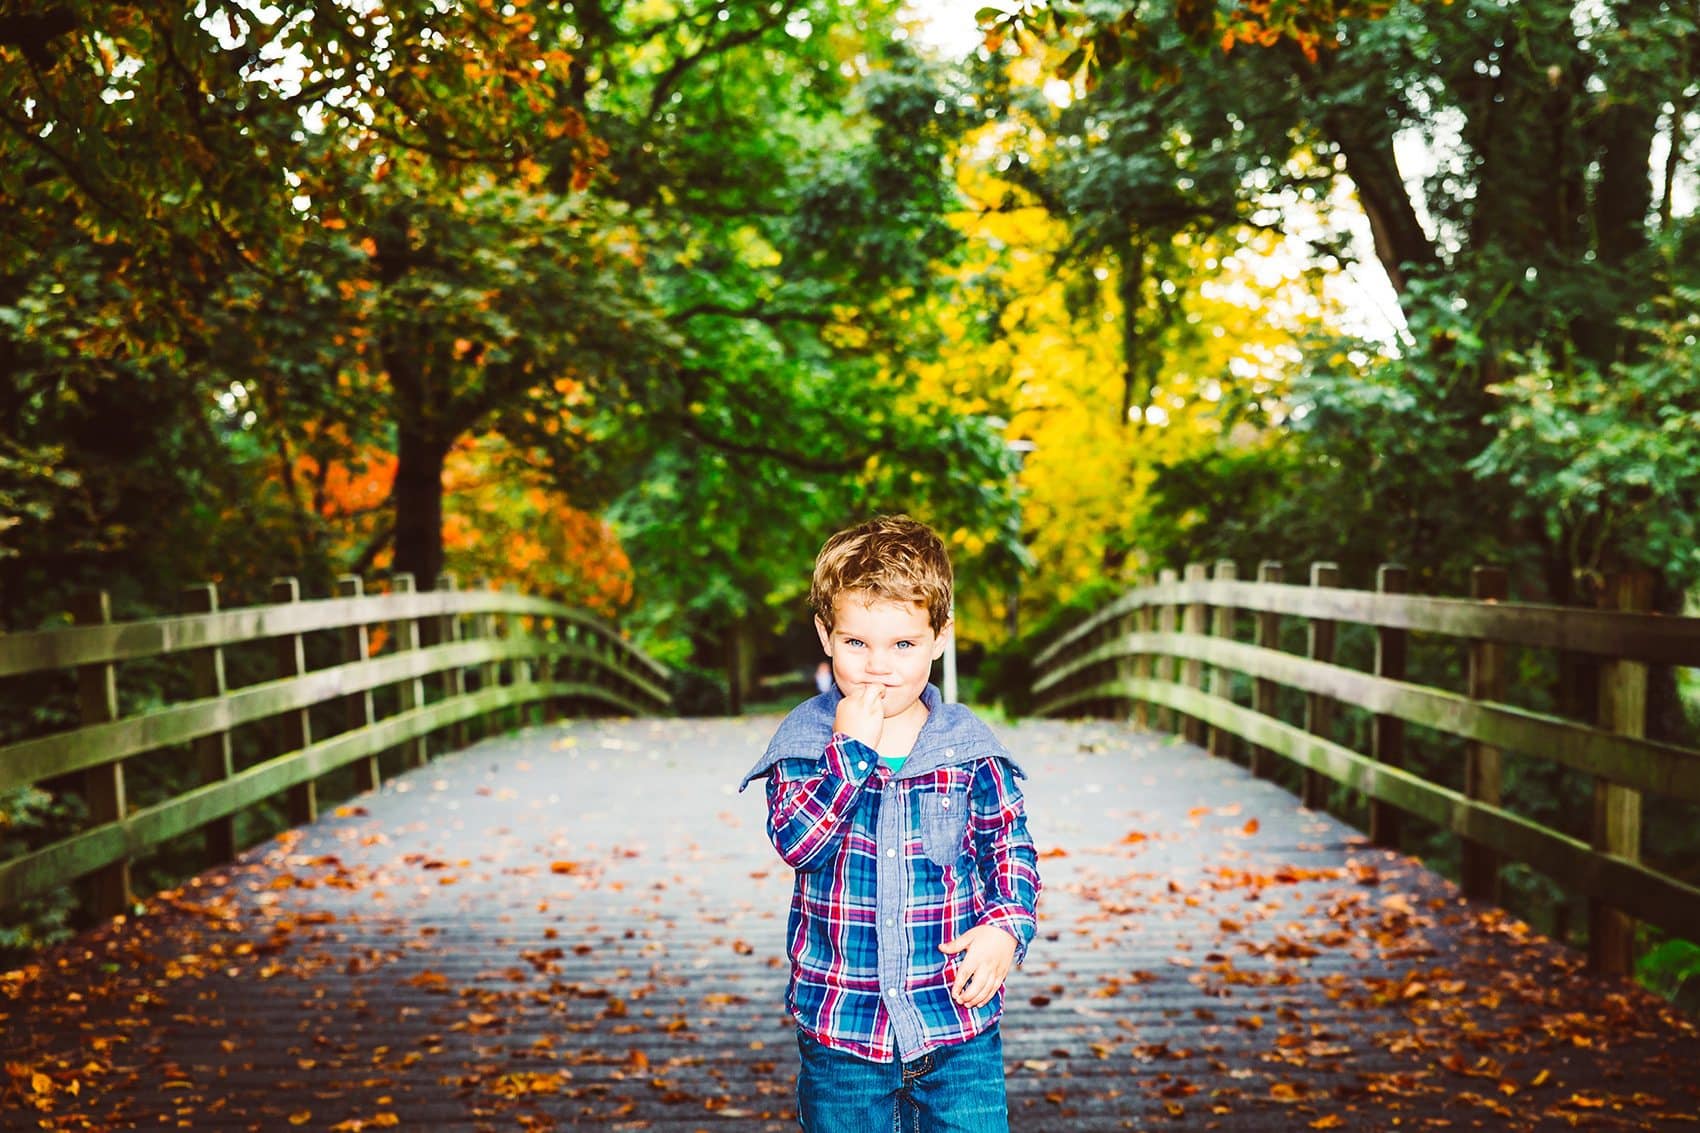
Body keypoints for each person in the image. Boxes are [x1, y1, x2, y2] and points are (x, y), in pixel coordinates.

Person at [739, 515, 1041, 1132]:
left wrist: (1006, 930)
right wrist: (849, 753)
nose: (879, 667)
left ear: (939, 638)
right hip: (843, 1024)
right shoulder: (804, 744)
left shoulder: (968, 748)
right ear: (825, 635)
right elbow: (799, 845)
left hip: (955, 1019)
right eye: (857, 644)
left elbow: (1009, 850)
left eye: (902, 645)